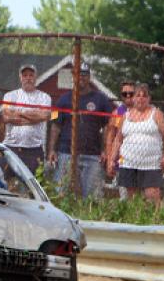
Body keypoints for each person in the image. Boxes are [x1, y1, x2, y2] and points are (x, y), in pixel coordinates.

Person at [47, 62, 114, 198]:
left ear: (89, 77)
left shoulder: (101, 99)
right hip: (66, 153)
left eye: (84, 74)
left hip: (93, 154)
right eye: (78, 74)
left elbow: (108, 126)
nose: (81, 78)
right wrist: (52, 150)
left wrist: (105, 151)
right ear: (73, 76)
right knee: (59, 193)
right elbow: (55, 125)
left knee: (92, 197)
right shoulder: (62, 100)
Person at [106, 83, 164, 204]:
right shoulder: (125, 116)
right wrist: (111, 159)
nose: (141, 98)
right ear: (133, 98)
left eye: (144, 95)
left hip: (151, 164)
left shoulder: (156, 114)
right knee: (132, 200)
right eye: (138, 95)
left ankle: (154, 216)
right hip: (129, 163)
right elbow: (118, 139)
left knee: (152, 196)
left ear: (149, 98)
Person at [1, 64, 52, 173]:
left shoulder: (44, 97)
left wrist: (18, 112)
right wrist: (33, 116)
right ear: (20, 77)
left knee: (32, 180)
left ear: (36, 77)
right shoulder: (9, 96)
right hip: (11, 146)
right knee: (7, 179)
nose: (28, 78)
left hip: (34, 148)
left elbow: (44, 116)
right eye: (25, 75)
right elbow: (5, 116)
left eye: (31, 75)